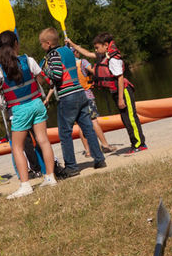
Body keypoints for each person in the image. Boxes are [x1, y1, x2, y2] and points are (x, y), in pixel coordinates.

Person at [0, 30, 58, 198]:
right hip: (36, 103)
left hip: (19, 109)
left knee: (17, 147)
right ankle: (50, 177)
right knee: (43, 140)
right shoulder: (28, 60)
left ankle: (25, 185)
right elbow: (40, 78)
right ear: (16, 44)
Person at [39, 28, 106, 176]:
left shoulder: (53, 55)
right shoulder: (68, 51)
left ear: (48, 43)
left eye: (42, 44)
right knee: (88, 127)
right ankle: (99, 159)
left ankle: (71, 167)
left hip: (67, 95)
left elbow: (56, 75)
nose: (41, 46)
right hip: (80, 93)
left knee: (64, 133)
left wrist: (45, 71)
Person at [68, 33, 147, 153]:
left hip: (124, 92)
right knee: (125, 119)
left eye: (97, 47)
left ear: (105, 45)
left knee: (131, 118)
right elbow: (86, 53)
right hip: (116, 92)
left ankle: (139, 144)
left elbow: (120, 78)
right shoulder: (103, 56)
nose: (95, 50)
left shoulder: (113, 59)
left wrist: (120, 98)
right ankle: (135, 143)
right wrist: (72, 43)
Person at [75, 57, 117, 157]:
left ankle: (88, 150)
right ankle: (105, 145)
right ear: (75, 52)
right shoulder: (82, 62)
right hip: (87, 95)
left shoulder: (66, 64)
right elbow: (94, 71)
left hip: (75, 97)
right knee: (93, 120)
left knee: (81, 124)